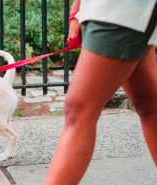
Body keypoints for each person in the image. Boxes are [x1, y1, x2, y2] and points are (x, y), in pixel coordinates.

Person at [44, 0, 157, 184]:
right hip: (100, 8)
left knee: (78, 109)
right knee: (151, 107)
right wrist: (77, 10)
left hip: (120, 10)